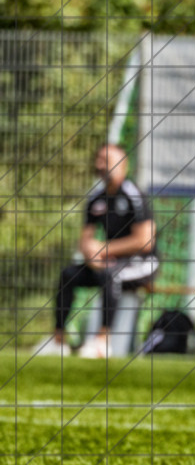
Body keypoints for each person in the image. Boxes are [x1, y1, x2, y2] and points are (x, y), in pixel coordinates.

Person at [34, 144, 159, 359]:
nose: (100, 165)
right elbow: (85, 240)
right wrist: (91, 256)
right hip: (107, 261)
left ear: (123, 165)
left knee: (113, 275)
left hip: (143, 263)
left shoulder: (133, 194)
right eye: (99, 159)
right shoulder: (96, 199)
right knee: (68, 274)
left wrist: (104, 249)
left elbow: (145, 241)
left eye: (107, 160)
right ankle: (58, 340)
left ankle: (102, 341)